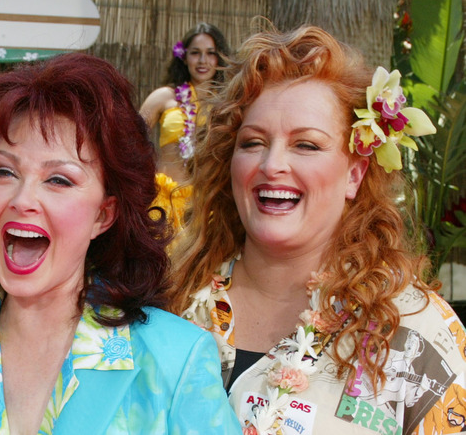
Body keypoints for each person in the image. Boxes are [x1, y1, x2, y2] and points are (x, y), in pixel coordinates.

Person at [168, 25, 466, 434]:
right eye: (252, 143)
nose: (272, 165)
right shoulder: (170, 302)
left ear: (355, 175)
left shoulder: (416, 331)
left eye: (306, 145)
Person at [0, 52, 241, 433]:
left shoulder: (174, 360)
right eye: (4, 171)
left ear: (104, 215)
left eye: (58, 179)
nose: (22, 200)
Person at [140, 23, 230, 231]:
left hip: (205, 203)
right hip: (163, 198)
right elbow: (129, 138)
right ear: (184, 57)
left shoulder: (226, 105)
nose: (203, 61)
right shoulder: (165, 97)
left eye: (210, 53)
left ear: (220, 58)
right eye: (195, 53)